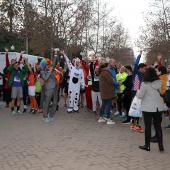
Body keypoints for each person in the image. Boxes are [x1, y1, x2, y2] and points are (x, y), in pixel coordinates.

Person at [136, 67, 164, 152]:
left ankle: (147, 145)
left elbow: (140, 96)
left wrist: (137, 92)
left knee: (148, 127)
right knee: (158, 127)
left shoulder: (145, 84)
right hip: (158, 107)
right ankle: (161, 146)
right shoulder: (160, 82)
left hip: (148, 107)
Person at [150, 66, 167, 142]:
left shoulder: (161, 80)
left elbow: (162, 92)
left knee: (157, 121)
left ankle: (158, 137)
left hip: (158, 101)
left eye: (157, 71)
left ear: (161, 72)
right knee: (156, 120)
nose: (156, 72)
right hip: (157, 101)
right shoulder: (160, 79)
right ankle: (156, 135)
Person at [130, 50, 146, 133]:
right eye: (144, 68)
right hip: (135, 92)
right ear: (140, 68)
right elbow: (136, 64)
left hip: (140, 93)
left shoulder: (144, 74)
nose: (144, 70)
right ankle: (136, 125)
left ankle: (133, 124)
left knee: (137, 108)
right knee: (136, 108)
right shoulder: (136, 72)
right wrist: (139, 55)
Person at [40, 56, 58, 123]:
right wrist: (50, 72)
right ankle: (45, 116)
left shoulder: (52, 70)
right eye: (47, 64)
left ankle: (51, 115)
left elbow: (54, 63)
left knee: (55, 102)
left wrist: (55, 54)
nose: (48, 66)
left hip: (55, 88)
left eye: (49, 64)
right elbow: (45, 79)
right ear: (44, 65)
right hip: (48, 89)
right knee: (47, 102)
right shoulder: (42, 72)